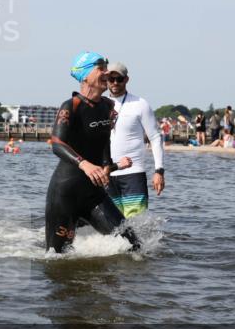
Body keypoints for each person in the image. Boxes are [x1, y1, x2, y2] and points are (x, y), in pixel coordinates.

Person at [45, 52, 139, 253]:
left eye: (107, 67)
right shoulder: (71, 106)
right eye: (101, 68)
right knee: (56, 257)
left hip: (94, 194)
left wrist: (111, 166)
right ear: (85, 75)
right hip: (65, 194)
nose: (107, 72)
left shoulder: (108, 106)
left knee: (134, 246)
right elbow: (57, 143)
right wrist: (84, 164)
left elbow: (103, 148)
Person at [104, 62, 165, 219]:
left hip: (133, 174)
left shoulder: (140, 104)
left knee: (136, 224)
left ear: (126, 79)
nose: (115, 83)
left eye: (119, 79)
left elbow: (155, 138)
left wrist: (159, 171)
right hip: (107, 173)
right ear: (106, 80)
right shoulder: (100, 104)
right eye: (111, 79)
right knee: (112, 225)